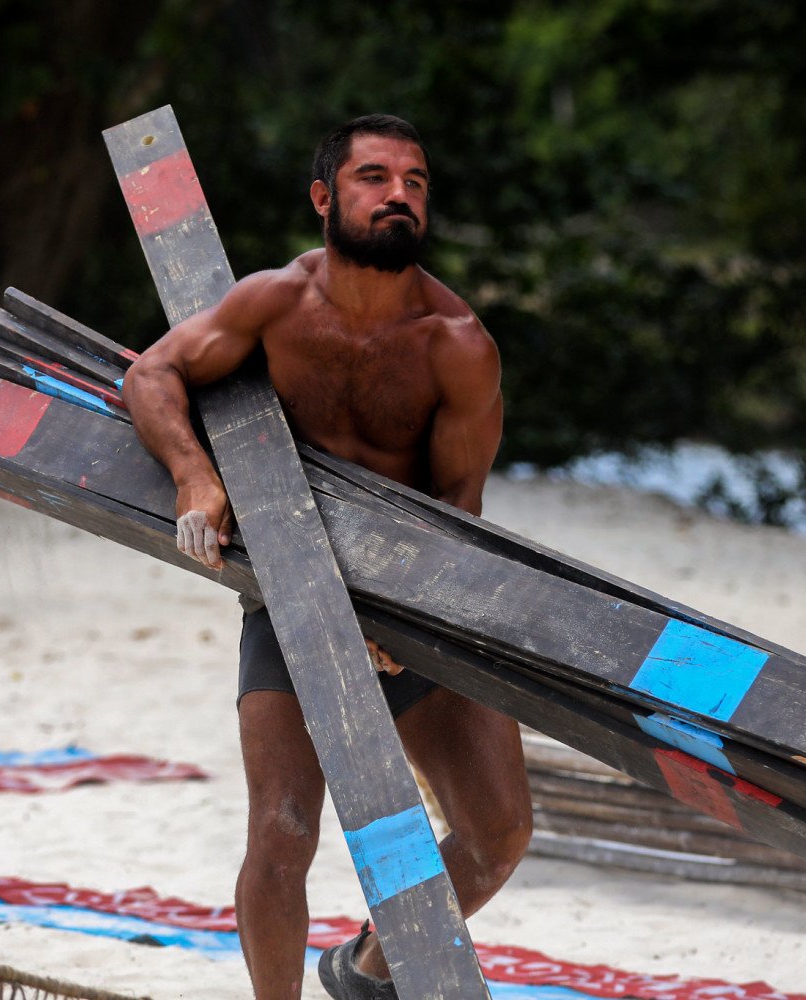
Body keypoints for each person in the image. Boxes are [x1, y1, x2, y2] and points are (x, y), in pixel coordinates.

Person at [121, 114, 533, 1000]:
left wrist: (407, 616)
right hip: (293, 593)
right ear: (324, 197)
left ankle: (362, 971)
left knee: (497, 833)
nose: (397, 196)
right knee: (280, 830)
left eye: (415, 182)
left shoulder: (456, 345)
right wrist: (196, 476)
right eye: (373, 178)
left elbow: (461, 512)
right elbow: (150, 375)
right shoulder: (274, 303)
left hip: (416, 599)